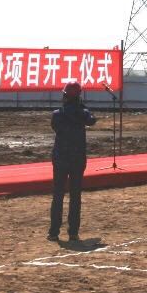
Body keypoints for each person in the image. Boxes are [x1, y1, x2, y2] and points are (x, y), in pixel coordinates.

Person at [50, 80, 96, 242]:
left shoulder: (57, 114)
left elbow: (56, 127)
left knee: (58, 195)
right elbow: (92, 120)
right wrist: (81, 108)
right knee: (75, 196)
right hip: (77, 159)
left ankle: (54, 232)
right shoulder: (83, 113)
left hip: (60, 158)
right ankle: (73, 232)